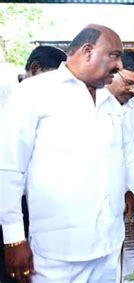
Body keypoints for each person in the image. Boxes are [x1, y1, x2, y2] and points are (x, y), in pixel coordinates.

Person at [0, 24, 134, 282]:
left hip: (107, 245)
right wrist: (14, 238)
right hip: (58, 253)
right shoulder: (34, 93)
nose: (119, 64)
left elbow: (129, 161)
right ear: (87, 51)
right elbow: (9, 169)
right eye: (114, 55)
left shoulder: (110, 103)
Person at [0, 45, 66, 283]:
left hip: (31, 203)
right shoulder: (8, 94)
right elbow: (7, 168)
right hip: (7, 203)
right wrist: (14, 238)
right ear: (36, 69)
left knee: (29, 270)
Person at [105, 50, 134, 222]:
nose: (132, 90)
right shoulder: (92, 103)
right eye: (128, 83)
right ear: (112, 73)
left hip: (127, 190)